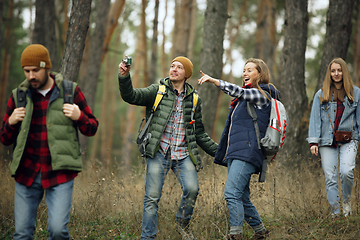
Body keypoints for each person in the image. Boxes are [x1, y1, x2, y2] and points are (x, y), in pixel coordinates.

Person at [0, 44, 99, 239]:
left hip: (59, 173)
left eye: (35, 70)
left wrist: (80, 116)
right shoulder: (18, 96)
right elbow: (4, 139)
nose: (30, 76)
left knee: (58, 231)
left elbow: (92, 128)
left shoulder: (70, 91)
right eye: (26, 71)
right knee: (21, 234)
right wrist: (10, 123)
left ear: (47, 68)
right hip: (26, 172)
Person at [118, 56, 218, 239]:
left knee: (192, 189)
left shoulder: (194, 99)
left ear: (186, 74)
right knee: (152, 198)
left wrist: (221, 154)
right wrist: (124, 77)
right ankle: (148, 237)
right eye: (172, 66)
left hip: (183, 154)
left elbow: (200, 134)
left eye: (179, 67)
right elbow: (130, 96)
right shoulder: (158, 90)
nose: (174, 69)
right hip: (159, 152)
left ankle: (181, 225)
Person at [198, 58, 277, 240]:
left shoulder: (261, 95)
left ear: (260, 74)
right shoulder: (241, 100)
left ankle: (235, 235)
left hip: (248, 152)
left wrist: (214, 81)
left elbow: (237, 91)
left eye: (250, 70)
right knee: (241, 196)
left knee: (231, 193)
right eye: (244, 70)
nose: (245, 73)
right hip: (237, 152)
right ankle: (260, 232)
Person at [307, 58, 359, 218]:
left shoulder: (356, 93)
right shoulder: (321, 94)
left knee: (346, 171)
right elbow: (315, 118)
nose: (336, 73)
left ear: (344, 71)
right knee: (330, 177)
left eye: (339, 70)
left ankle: (346, 203)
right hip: (326, 140)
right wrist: (313, 141)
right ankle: (335, 213)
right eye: (333, 71)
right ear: (329, 73)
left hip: (349, 139)